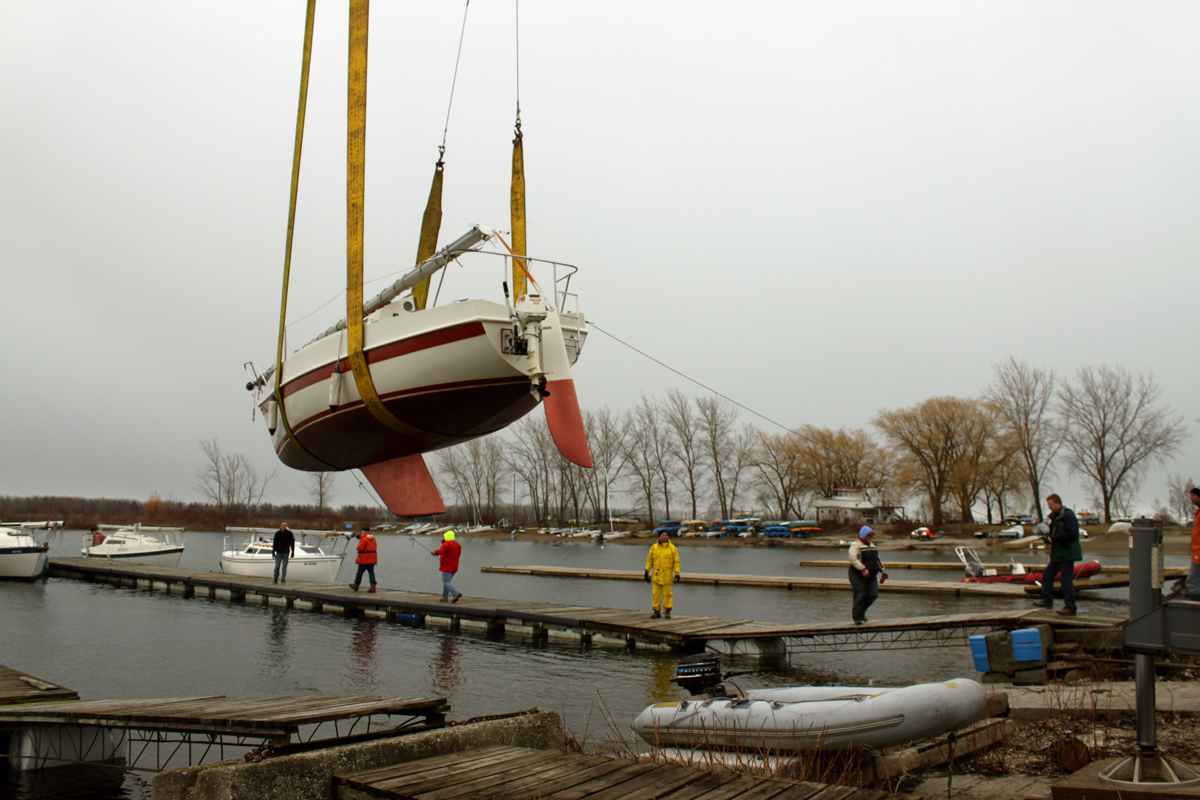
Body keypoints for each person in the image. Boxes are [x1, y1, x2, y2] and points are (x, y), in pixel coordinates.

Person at [1032, 493, 1082, 616]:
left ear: (1058, 503)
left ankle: (1070, 607)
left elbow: (1072, 534)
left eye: (1051, 504)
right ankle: (1047, 601)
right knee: (1047, 575)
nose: (1049, 507)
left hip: (1067, 553)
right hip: (1058, 554)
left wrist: (1054, 539)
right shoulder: (1055, 518)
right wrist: (1048, 538)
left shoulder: (1068, 516)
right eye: (1048, 505)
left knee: (1066, 580)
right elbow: (1054, 533)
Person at [848, 525, 886, 625]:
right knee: (860, 594)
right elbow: (853, 559)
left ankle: (862, 612)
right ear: (864, 535)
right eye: (869, 535)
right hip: (857, 575)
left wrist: (882, 570)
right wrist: (863, 569)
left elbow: (877, 559)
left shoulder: (872, 546)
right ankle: (857, 617)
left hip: (871, 576)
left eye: (871, 536)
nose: (871, 537)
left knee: (873, 594)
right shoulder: (855, 546)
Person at [643, 530, 681, 619]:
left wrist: (677, 573)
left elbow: (676, 562)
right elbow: (650, 560)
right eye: (663, 535)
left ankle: (667, 611)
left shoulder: (672, 548)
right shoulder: (654, 547)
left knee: (667, 595)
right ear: (659, 537)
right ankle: (656, 611)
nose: (665, 537)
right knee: (656, 595)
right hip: (656, 576)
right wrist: (647, 571)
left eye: (666, 535)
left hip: (667, 576)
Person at [432, 530, 462, 602]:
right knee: (447, 582)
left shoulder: (446, 544)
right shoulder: (458, 545)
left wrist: (434, 552)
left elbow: (442, 551)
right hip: (454, 567)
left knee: (446, 582)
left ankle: (455, 593)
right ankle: (445, 598)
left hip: (447, 567)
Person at [348, 526, 378, 593]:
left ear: (363, 532)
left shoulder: (363, 539)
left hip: (364, 558)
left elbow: (359, 548)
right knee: (371, 572)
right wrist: (357, 536)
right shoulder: (373, 538)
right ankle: (373, 586)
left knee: (360, 572)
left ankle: (356, 585)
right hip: (372, 558)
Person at [1188, 486, 1200, 597]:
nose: (1191, 498)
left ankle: (1195, 603)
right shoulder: (1198, 513)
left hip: (1198, 553)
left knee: (1193, 581)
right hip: (1196, 551)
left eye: (1193, 495)